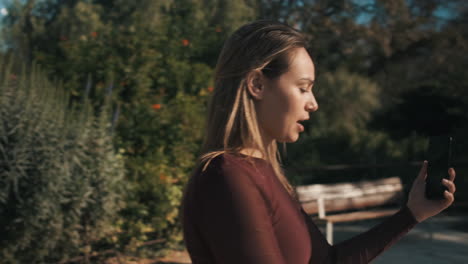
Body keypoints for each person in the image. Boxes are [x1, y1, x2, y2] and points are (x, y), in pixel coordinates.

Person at [181, 20, 457, 264]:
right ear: (257, 85)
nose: (313, 103)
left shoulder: (262, 173)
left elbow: (328, 260)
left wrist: (412, 214)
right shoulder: (227, 175)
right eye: (303, 88)